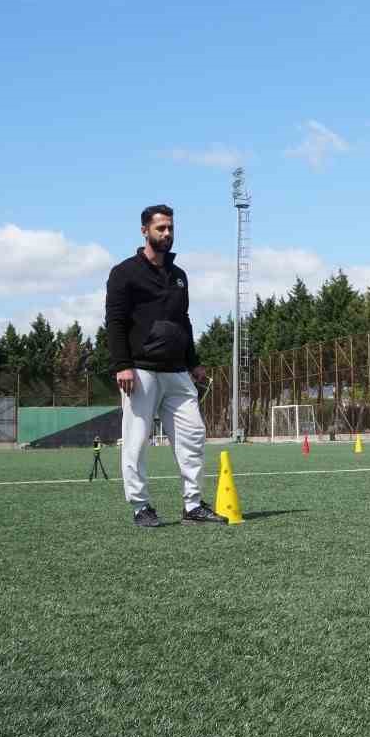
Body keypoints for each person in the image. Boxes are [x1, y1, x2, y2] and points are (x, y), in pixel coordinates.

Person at [106, 204, 227, 526]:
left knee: (194, 435)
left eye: (171, 228)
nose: (167, 234)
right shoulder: (124, 272)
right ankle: (141, 506)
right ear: (145, 231)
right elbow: (115, 322)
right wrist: (122, 365)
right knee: (136, 441)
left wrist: (194, 362)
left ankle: (193, 505)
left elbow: (183, 320)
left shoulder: (179, 276)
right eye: (161, 228)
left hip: (177, 372)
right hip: (140, 371)